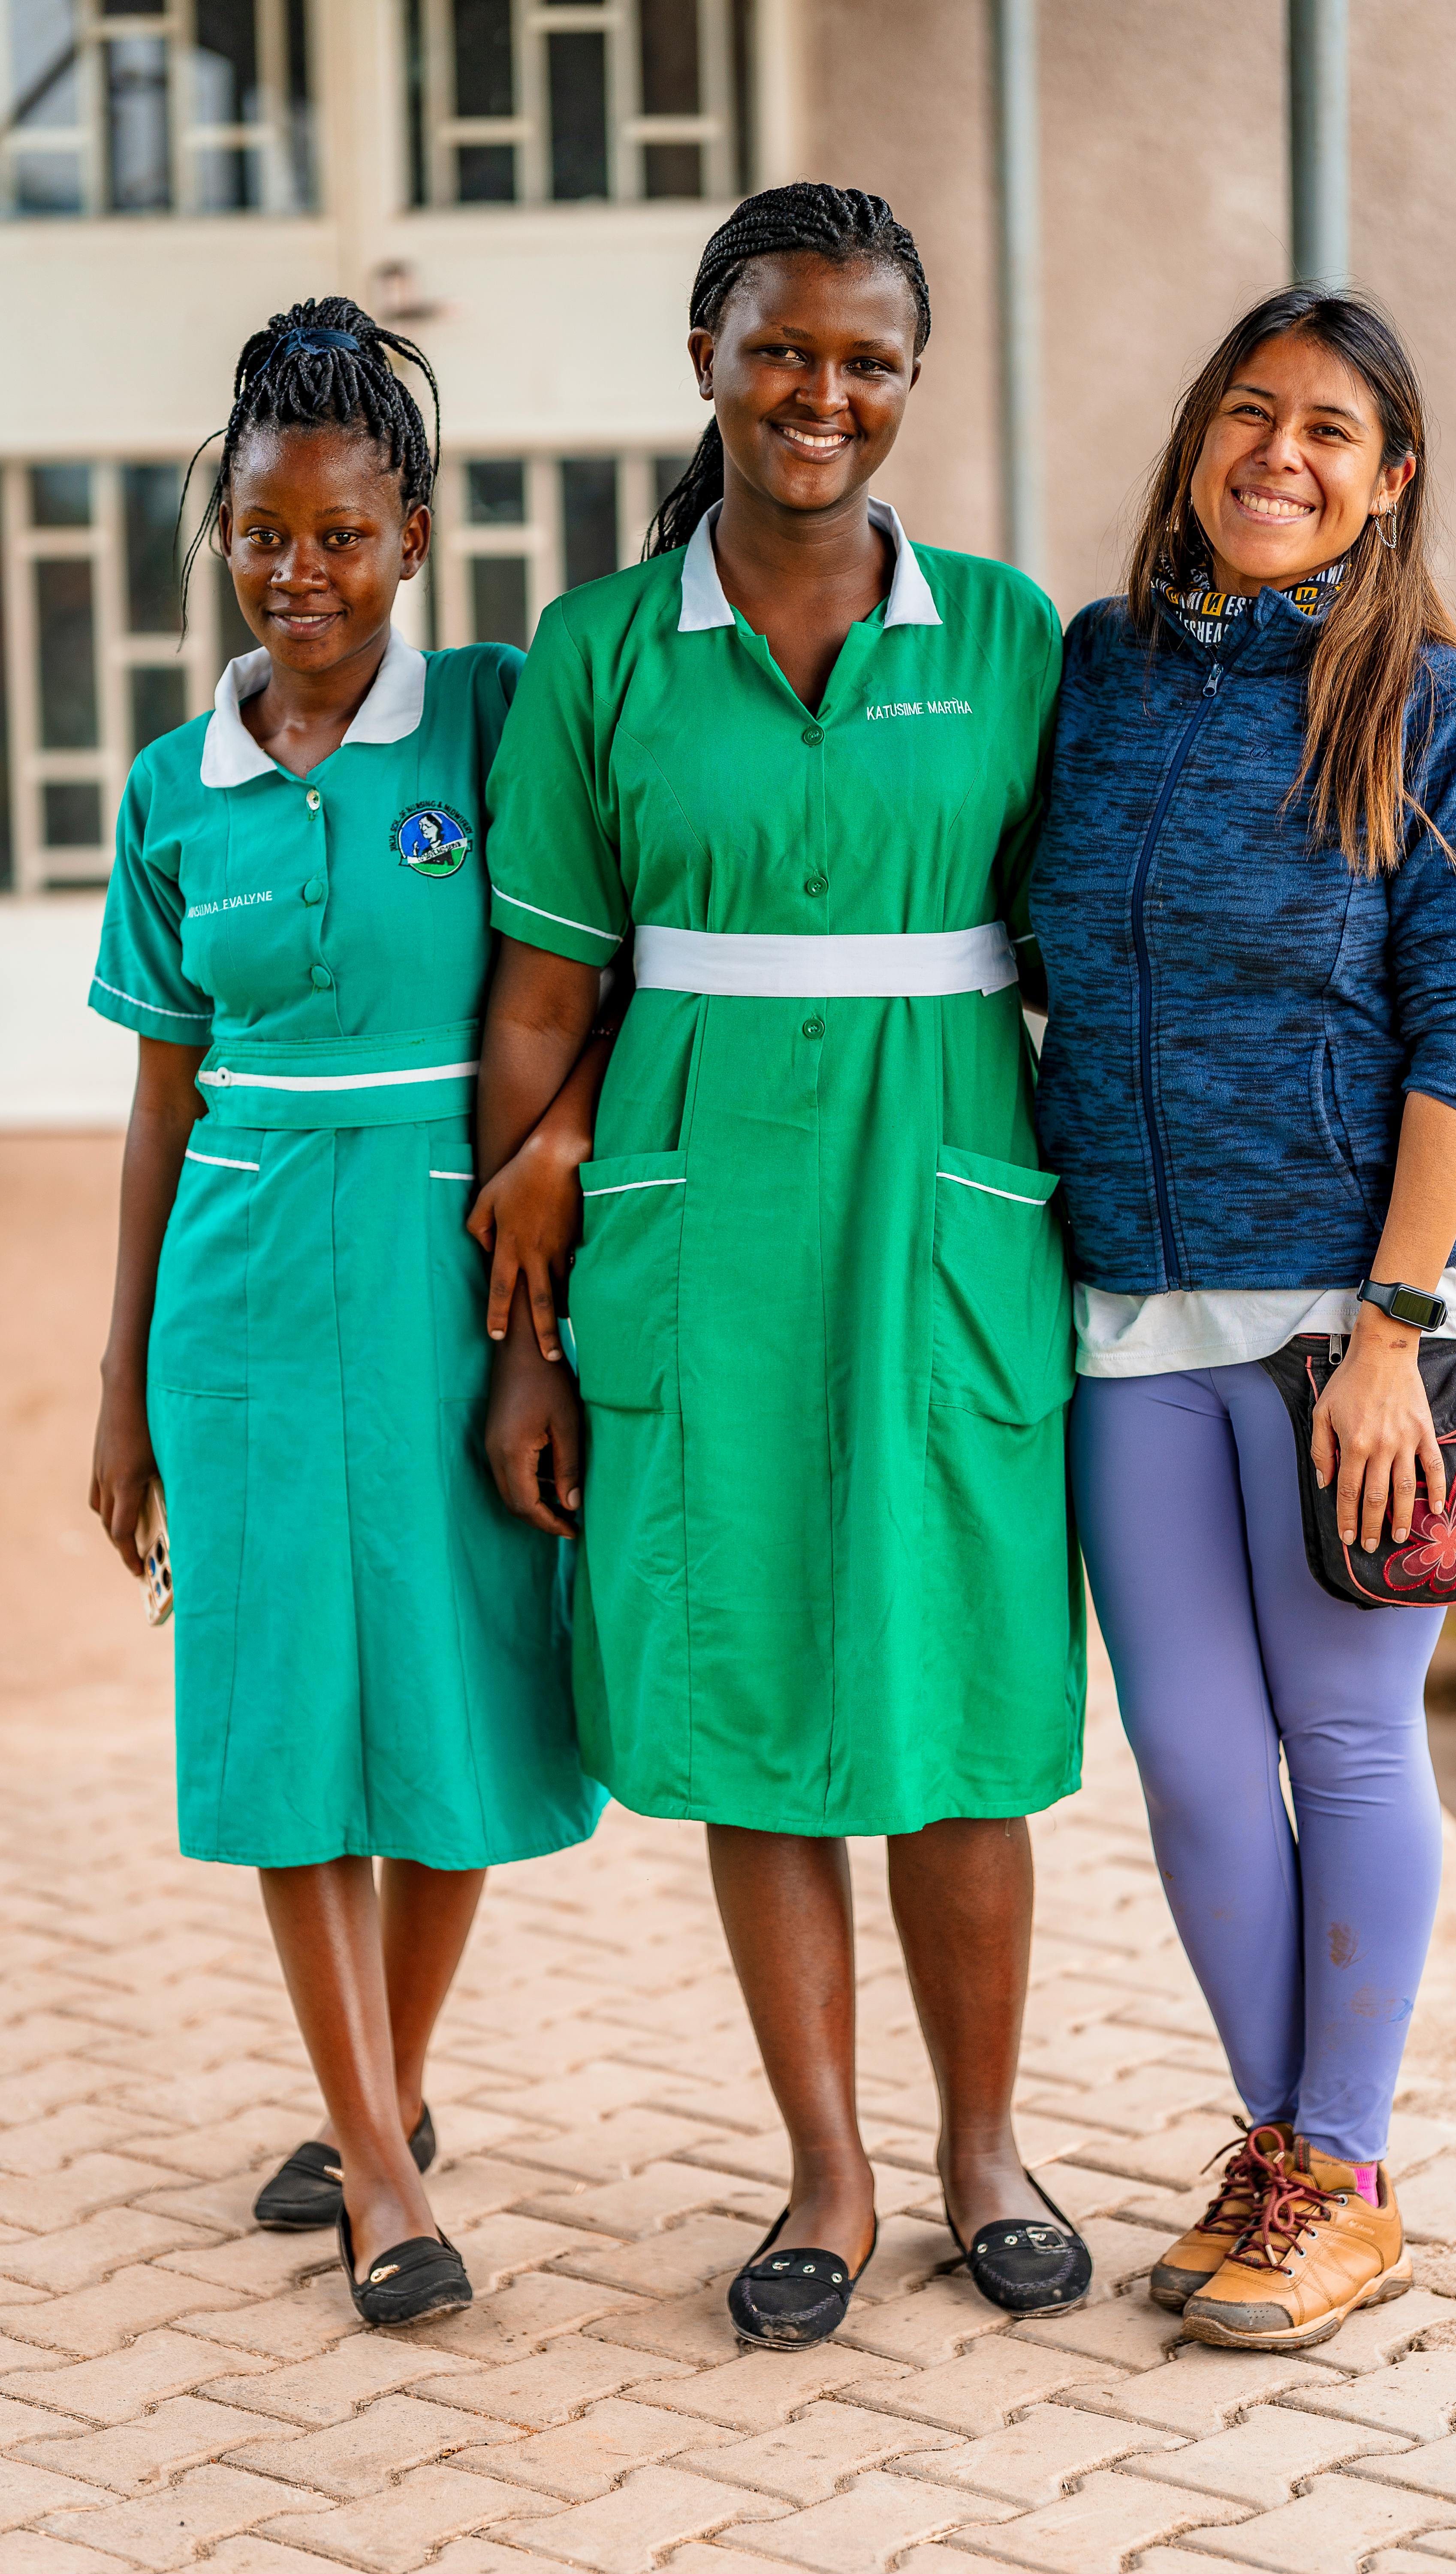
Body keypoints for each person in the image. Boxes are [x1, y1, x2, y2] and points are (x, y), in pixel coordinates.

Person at [470, 184, 1089, 2349]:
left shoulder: (1014, 638)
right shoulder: (603, 652)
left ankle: (982, 2147)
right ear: (710, 357)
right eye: (781, 347)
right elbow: (546, 996)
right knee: (752, 1699)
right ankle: (824, 2174)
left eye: (866, 359)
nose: (820, 392)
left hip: (942, 1207)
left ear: (909, 383)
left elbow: (1107, 953)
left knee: (964, 1705)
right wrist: (528, 1329)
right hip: (693, 1222)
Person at [1030, 287, 1456, 2352]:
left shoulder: (1432, 710)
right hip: (1137, 1298)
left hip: (1355, 1308)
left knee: (1341, 1735)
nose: (1280, 457)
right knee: (1178, 1754)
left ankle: (1334, 2166)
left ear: (1388, 476)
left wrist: (1395, 1334)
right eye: (1248, 415)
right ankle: (1288, 2164)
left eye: (1331, 431)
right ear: (1195, 442)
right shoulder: (1099, 671)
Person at [86, 299, 605, 2329]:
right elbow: (156, 1098)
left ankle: (384, 2084)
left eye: (341, 536)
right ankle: (380, 2161)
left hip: (447, 1273)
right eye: (263, 537)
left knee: (458, 1694)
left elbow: (586, 978)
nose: (300, 576)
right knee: (288, 1708)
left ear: (413, 525)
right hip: (237, 1294)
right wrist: (117, 1383)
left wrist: (548, 1218)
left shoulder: (490, 722)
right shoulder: (174, 787)